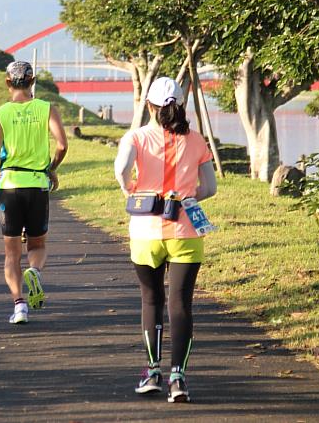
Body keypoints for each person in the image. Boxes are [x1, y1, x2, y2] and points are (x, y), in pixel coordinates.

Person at [113, 76, 217, 403]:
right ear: (181, 106)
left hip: (145, 230)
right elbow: (210, 188)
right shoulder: (198, 141)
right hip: (185, 230)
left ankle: (152, 371)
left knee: (151, 300)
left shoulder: (137, 136)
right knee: (180, 303)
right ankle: (179, 379)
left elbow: (121, 170)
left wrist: (133, 191)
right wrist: (185, 197)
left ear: (149, 106)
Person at [0, 60, 68, 325]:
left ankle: (19, 305)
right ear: (32, 81)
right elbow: (62, 145)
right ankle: (34, 271)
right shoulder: (47, 109)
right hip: (37, 184)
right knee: (38, 244)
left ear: (8, 83)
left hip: (10, 184)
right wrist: (51, 168)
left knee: (11, 253)